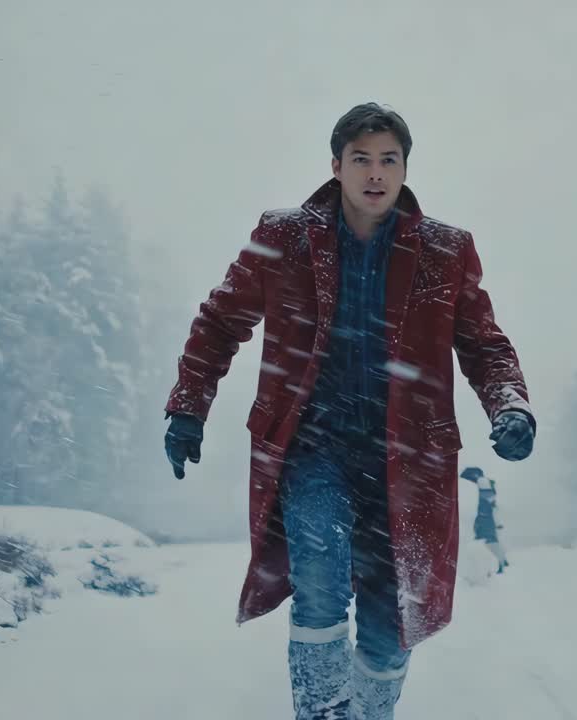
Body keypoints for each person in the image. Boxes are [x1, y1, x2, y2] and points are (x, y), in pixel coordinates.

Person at [163, 102, 535, 719]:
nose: (375, 173)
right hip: (312, 449)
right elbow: (221, 320)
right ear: (336, 166)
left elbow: (483, 344)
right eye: (361, 159)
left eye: (389, 159)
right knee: (319, 583)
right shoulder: (283, 237)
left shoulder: (445, 250)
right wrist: (188, 408)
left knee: (392, 625)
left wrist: (510, 406)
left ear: (406, 169)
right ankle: (321, 713)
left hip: (408, 461)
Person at [460, 466, 509, 573]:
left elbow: (489, 501)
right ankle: (501, 561)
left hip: (484, 517)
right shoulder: (484, 483)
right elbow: (491, 502)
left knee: (486, 540)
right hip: (485, 517)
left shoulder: (483, 482)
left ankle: (499, 563)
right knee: (489, 540)